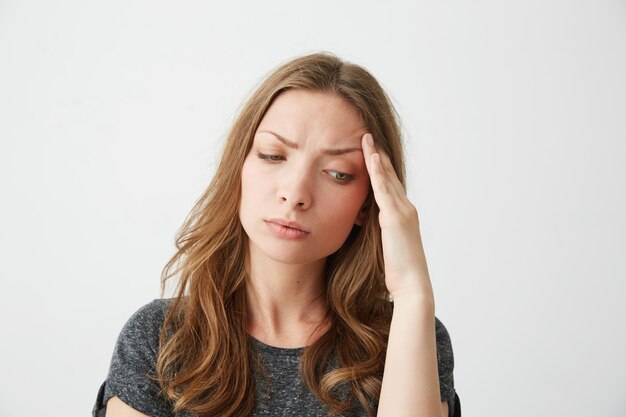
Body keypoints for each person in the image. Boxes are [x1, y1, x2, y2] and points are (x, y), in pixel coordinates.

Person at [93, 52, 460, 417]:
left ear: (369, 204)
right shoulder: (160, 339)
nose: (296, 193)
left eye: (337, 173)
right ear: (239, 166)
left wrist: (412, 291)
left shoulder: (409, 337)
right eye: (272, 155)